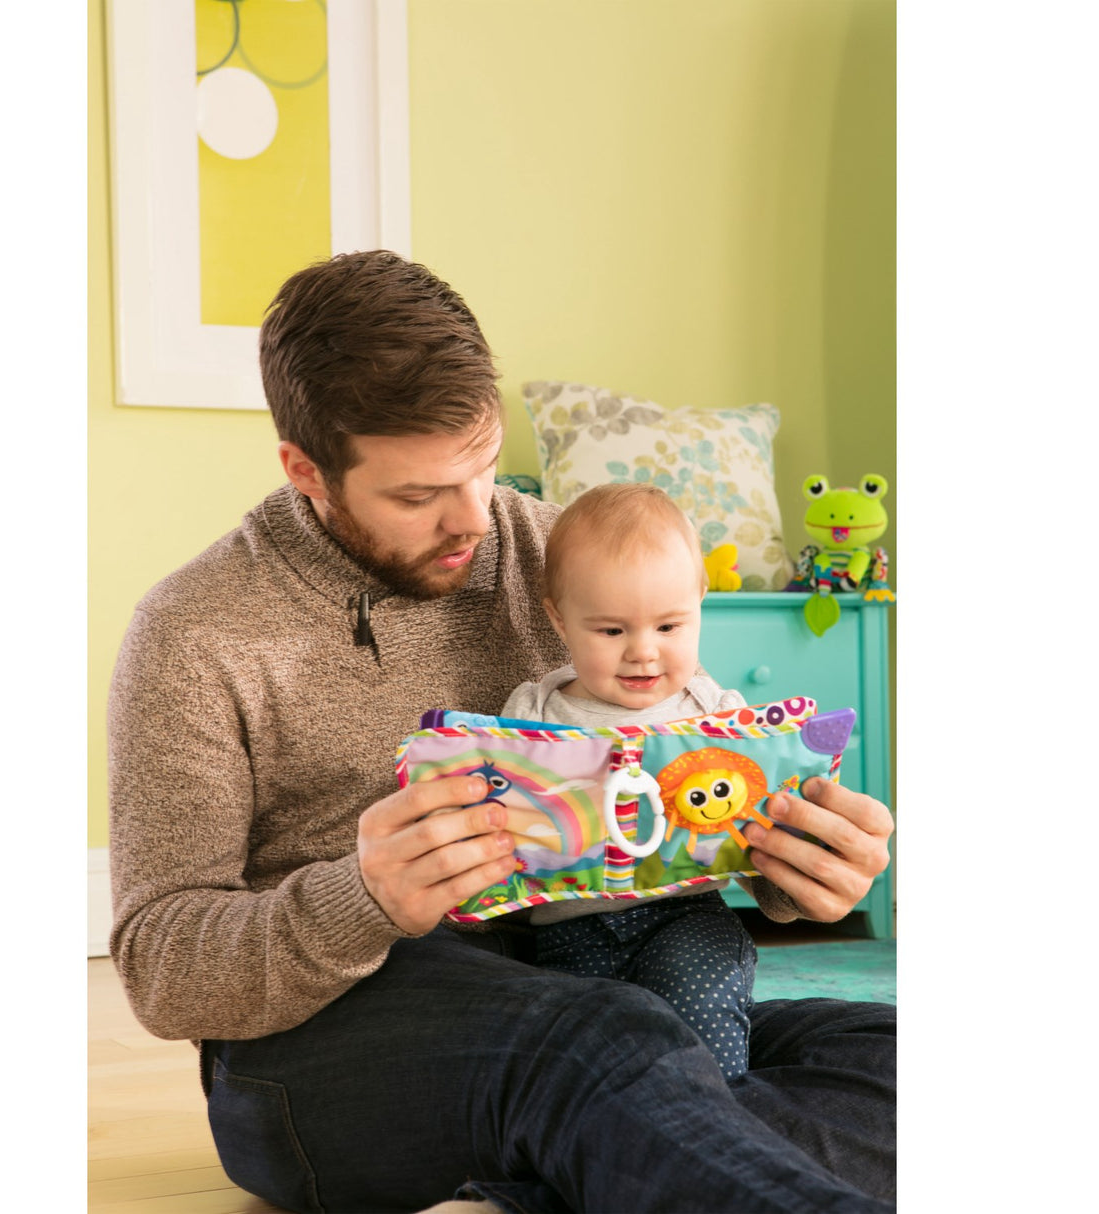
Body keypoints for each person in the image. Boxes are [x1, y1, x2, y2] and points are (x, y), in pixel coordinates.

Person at [108, 249, 897, 1214]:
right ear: (306, 471)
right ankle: (627, 1145)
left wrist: (789, 864)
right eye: (417, 496)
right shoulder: (194, 633)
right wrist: (363, 899)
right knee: (611, 1043)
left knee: (891, 1054)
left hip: (578, 987)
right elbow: (161, 966)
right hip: (319, 1051)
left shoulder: (566, 558)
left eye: (482, 468)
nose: (474, 520)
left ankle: (567, 1173)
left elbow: (686, 780)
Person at [499, 481, 802, 1082]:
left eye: (669, 626)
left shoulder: (719, 711)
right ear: (559, 618)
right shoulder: (532, 711)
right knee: (579, 1051)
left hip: (685, 914)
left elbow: (761, 813)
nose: (643, 652)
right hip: (568, 928)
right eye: (611, 631)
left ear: (700, 604)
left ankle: (720, 1112)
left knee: (702, 1010)